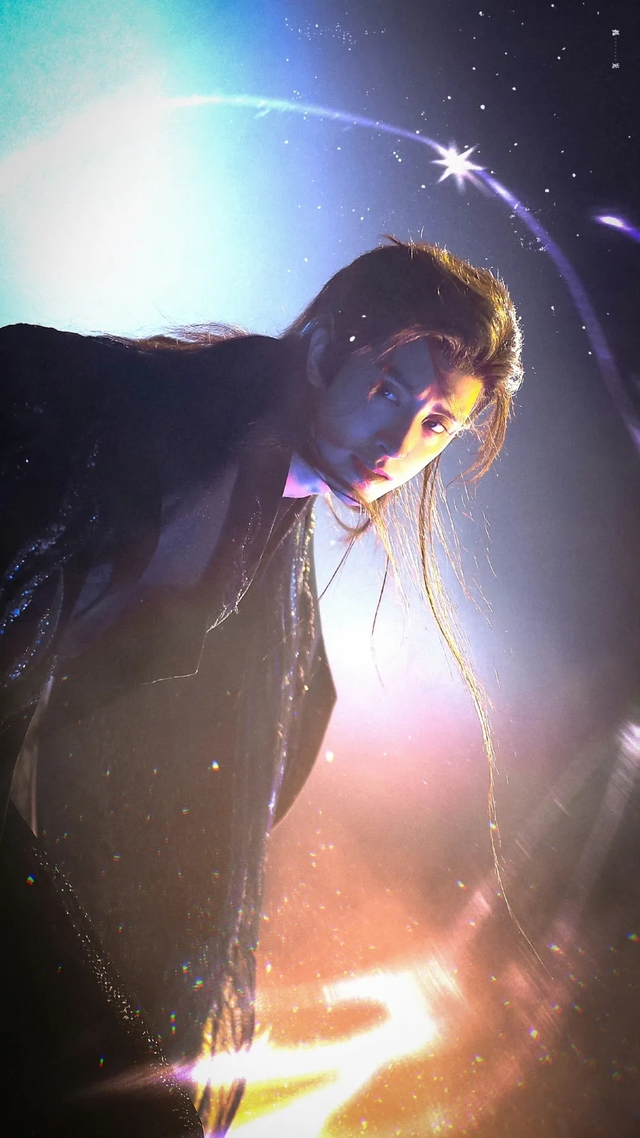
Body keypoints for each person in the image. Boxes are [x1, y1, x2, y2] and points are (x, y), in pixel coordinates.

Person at [0, 237, 522, 1136]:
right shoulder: (105, 407)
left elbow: (284, 720)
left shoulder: (278, 544)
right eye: (388, 390)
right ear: (320, 350)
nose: (400, 444)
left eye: (437, 424)